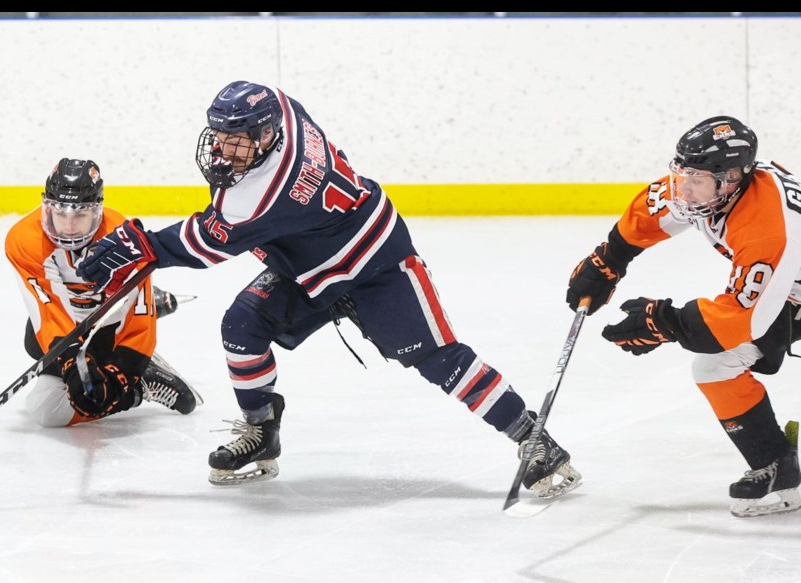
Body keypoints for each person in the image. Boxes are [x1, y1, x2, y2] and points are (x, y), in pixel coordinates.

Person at [74, 81, 582, 496]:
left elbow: (206, 243)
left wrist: (138, 243)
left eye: (237, 139)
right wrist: (144, 248)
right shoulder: (286, 113)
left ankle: (534, 440)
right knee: (242, 325)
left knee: (439, 360)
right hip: (310, 268)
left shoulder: (261, 193)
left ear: (267, 135)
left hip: (377, 265)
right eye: (219, 136)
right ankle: (261, 432)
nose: (224, 149)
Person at [566, 115, 801, 518]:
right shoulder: (716, 189)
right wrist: (610, 258)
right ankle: (777, 464)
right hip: (790, 285)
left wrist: (667, 321)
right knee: (715, 367)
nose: (682, 187)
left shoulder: (767, 226)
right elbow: (654, 211)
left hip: (787, 284)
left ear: (729, 178)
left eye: (695, 178)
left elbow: (743, 320)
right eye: (682, 173)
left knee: (720, 357)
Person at [5, 157, 201, 427]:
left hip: (108, 323)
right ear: (47, 209)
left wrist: (127, 371)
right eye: (60, 213)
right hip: (70, 317)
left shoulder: (123, 240)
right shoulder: (23, 240)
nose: (69, 225)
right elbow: (46, 309)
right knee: (45, 409)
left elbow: (139, 317)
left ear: (97, 210)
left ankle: (143, 381)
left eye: (80, 215)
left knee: (103, 387)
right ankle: (139, 384)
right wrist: (72, 360)